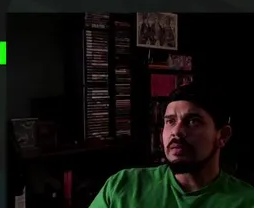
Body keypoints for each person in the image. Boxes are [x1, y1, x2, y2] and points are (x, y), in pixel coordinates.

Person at [89, 82, 254, 207]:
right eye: (170, 121)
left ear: (222, 135)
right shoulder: (123, 185)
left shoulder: (247, 200)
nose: (176, 131)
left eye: (193, 121)